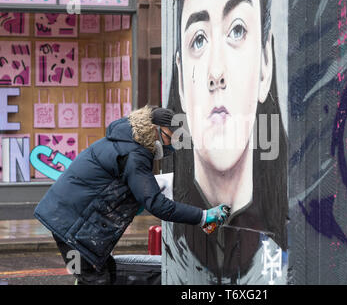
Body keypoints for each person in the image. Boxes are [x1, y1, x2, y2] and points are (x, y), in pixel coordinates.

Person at [166, 0, 288, 283]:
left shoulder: (285, 252)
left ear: (265, 65)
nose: (216, 72)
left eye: (237, 30)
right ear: (181, 80)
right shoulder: (174, 249)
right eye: (198, 39)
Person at [34, 105, 230, 285]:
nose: (171, 146)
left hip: (68, 221)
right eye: (170, 138)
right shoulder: (135, 154)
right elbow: (157, 205)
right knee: (95, 278)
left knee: (103, 274)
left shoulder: (127, 142)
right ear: (155, 129)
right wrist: (203, 216)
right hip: (72, 227)